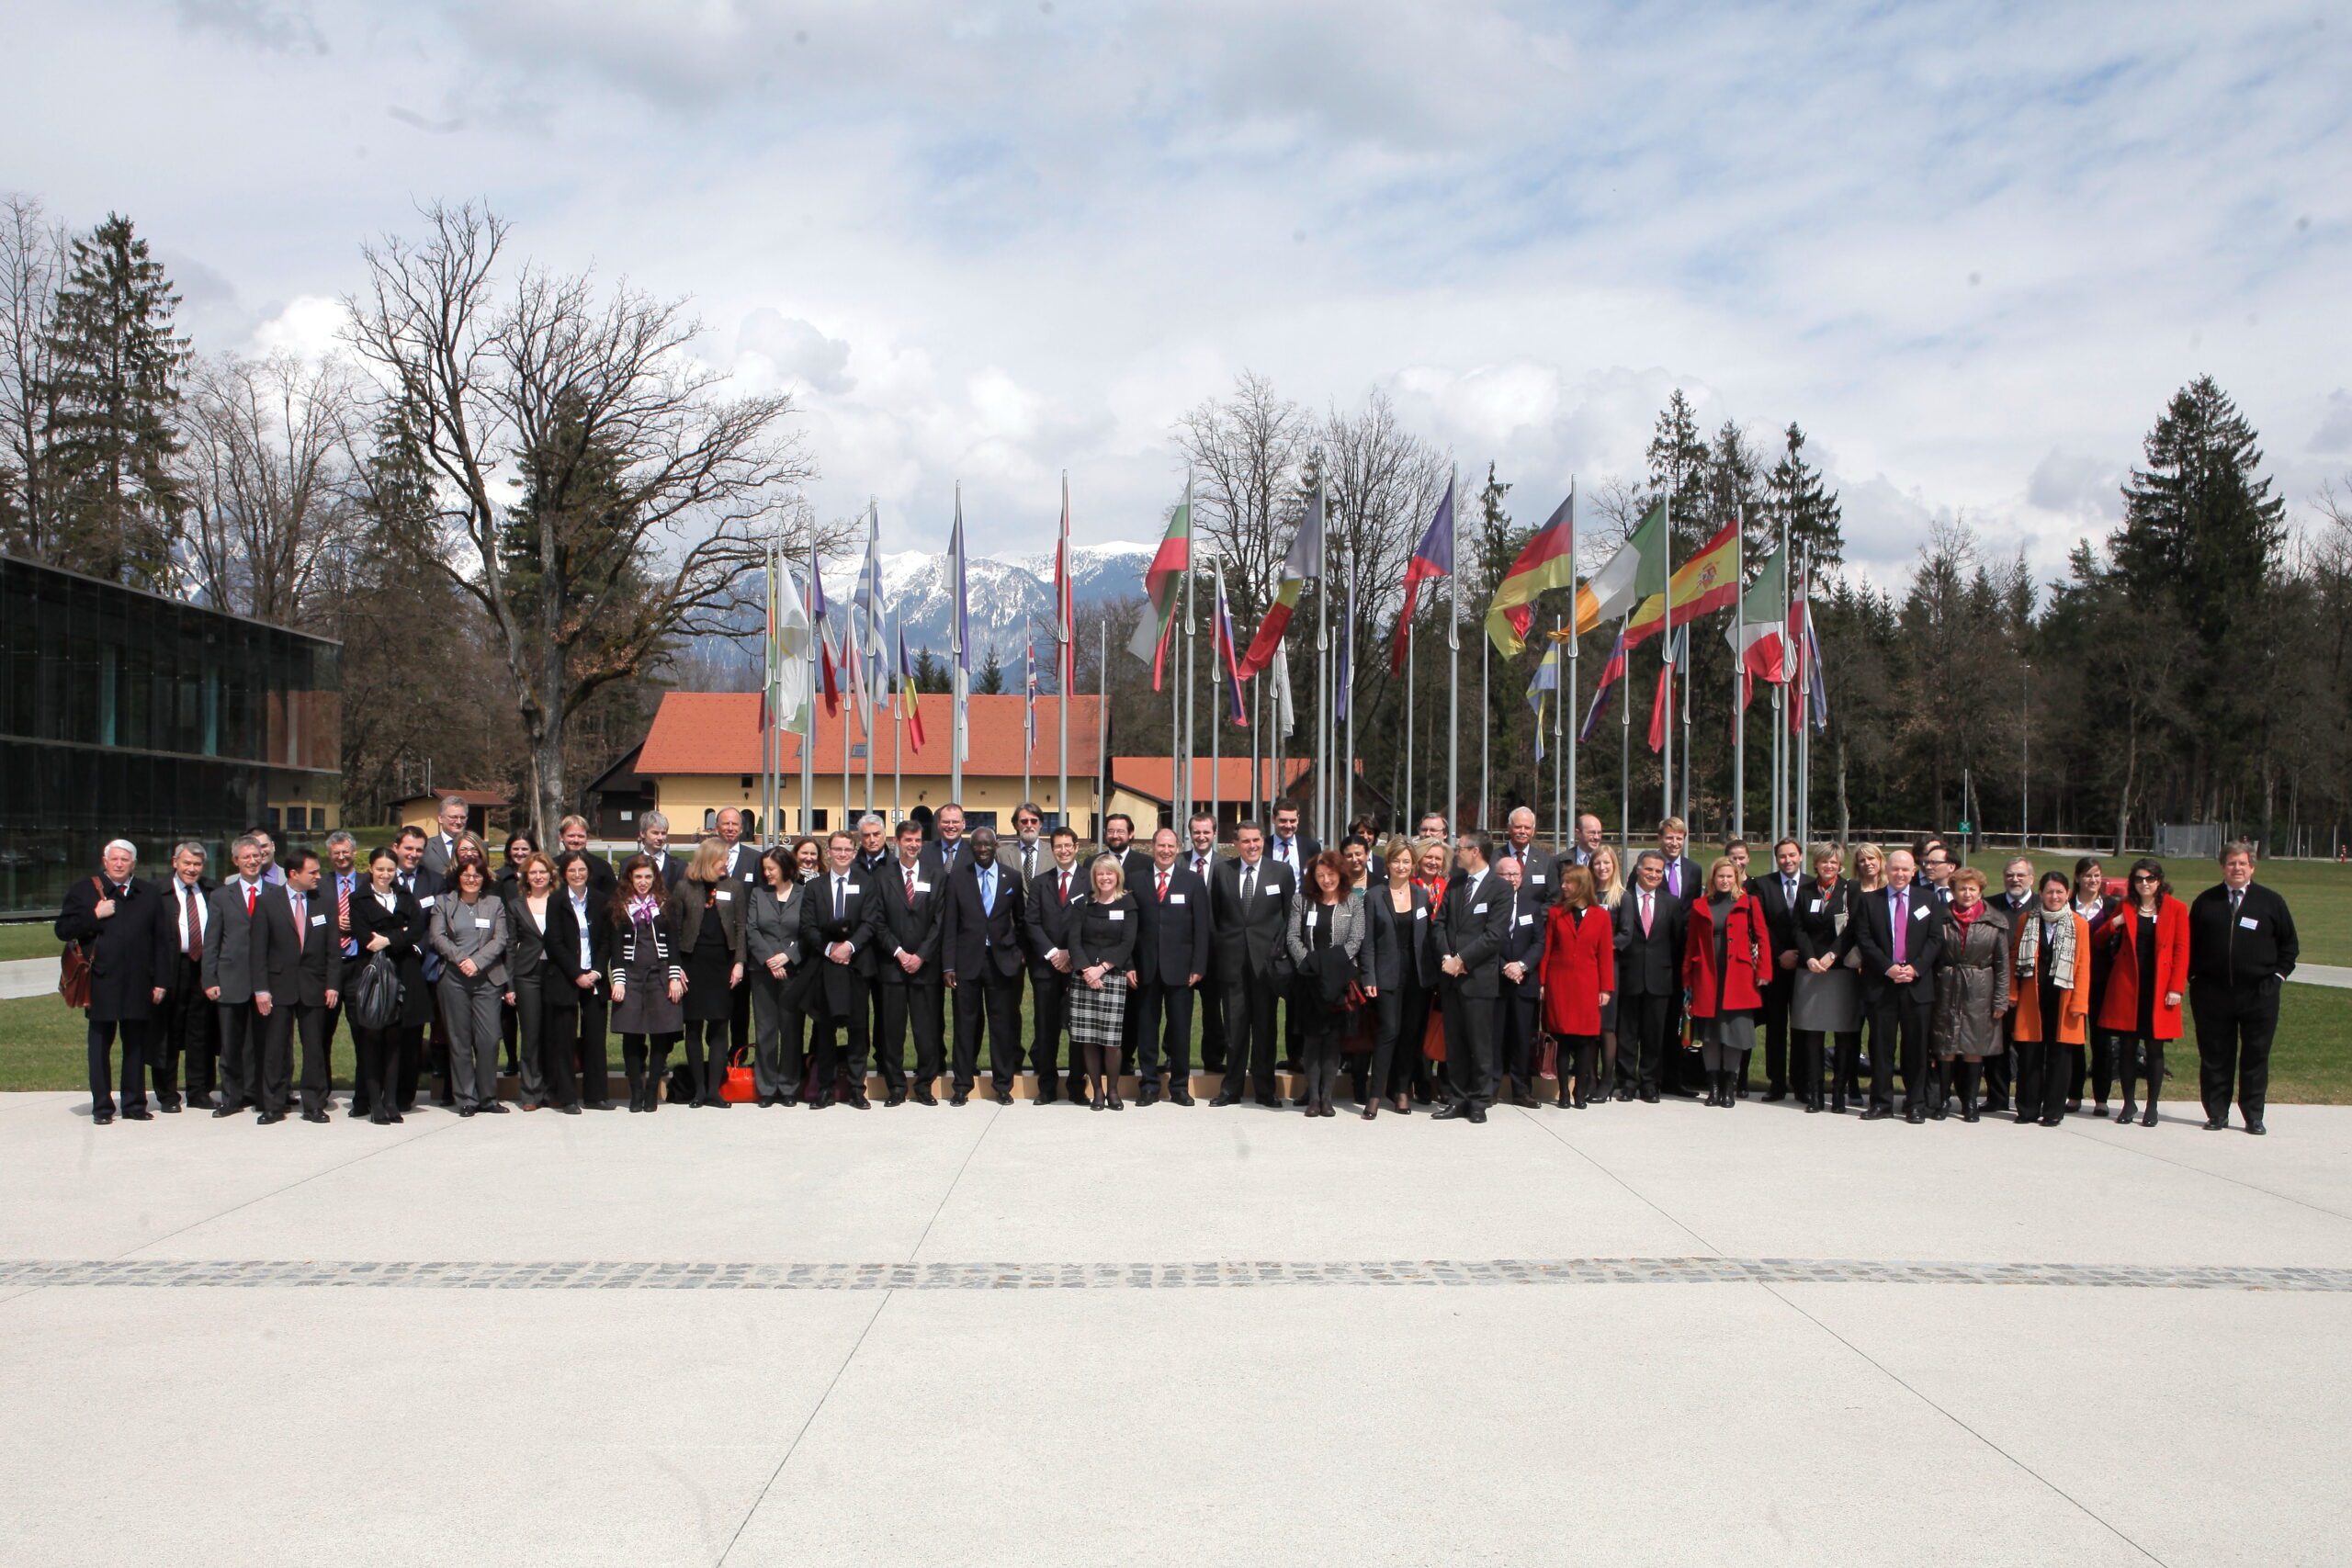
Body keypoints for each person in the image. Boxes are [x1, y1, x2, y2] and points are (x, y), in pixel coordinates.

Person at [54, 838, 166, 1124]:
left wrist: (161, 981)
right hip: (101, 981)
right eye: (114, 859)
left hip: (139, 981)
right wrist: (94, 915)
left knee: (135, 1046)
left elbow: (162, 941)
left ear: (134, 864)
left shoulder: (148, 893)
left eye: (125, 859)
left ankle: (134, 1104)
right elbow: (63, 929)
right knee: (100, 1045)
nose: (119, 864)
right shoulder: (84, 890)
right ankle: (102, 1108)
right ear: (105, 862)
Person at [2187, 840, 2295, 1135]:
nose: (2237, 868)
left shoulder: (2270, 902)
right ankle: (2217, 1113)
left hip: (2259, 994)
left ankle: (2253, 1115)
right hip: (2212, 994)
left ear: (2252, 867)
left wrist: (2277, 979)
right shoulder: (2206, 902)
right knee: (2215, 1055)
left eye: (2242, 863)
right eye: (2232, 863)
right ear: (2223, 866)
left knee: (2255, 1056)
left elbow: (2289, 947)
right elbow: (2188, 946)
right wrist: (2194, 978)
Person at [1208, 822, 1295, 1107]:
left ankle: (1265, 1090)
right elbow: (1215, 916)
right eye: (1245, 841)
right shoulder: (1223, 871)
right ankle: (1230, 1090)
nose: (1252, 845)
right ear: (1236, 843)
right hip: (1232, 962)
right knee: (1234, 1029)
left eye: (1256, 840)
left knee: (1265, 1029)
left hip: (1266, 965)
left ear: (1263, 841)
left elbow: (1288, 918)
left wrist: (1279, 955)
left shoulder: (1280, 872)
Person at [254, 850, 344, 1123]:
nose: (319, 876)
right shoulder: (268, 902)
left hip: (314, 986)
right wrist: (261, 989)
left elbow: (332, 948)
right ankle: (273, 1103)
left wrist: (332, 984)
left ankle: (314, 1103)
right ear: (294, 874)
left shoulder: (324, 902)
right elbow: (258, 950)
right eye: (312, 872)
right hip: (279, 986)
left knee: (314, 1047)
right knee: (276, 1048)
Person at [940, 826, 1024, 1104]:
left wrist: (1020, 953)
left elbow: (1021, 921)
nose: (983, 849)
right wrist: (948, 965)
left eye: (988, 844)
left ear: (996, 845)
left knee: (1002, 1026)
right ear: (971, 847)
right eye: (978, 845)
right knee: (966, 1025)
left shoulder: (1011, 876)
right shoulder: (957, 879)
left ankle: (1003, 1086)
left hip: (1002, 964)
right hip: (967, 963)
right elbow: (950, 924)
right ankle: (962, 1085)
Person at [1856, 848, 1940, 1122]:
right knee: (1881, 1046)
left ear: (1913, 872)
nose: (1900, 874)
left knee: (1916, 1048)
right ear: (1886, 870)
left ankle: (1915, 1103)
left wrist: (1915, 968)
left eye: (1905, 869)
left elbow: (1935, 940)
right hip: (1882, 985)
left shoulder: (1928, 899)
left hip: (1917, 986)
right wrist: (1888, 968)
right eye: (1895, 869)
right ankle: (1881, 1102)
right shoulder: (1870, 901)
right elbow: (1865, 939)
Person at [2105, 858, 2189, 1128]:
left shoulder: (2176, 909)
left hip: (2159, 988)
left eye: (2150, 879)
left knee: (2155, 1048)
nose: (2144, 884)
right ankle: (2129, 1103)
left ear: (2159, 881)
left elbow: (2181, 950)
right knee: (2128, 1047)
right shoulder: (2126, 906)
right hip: (2129, 986)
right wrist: (2113, 923)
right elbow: (2098, 939)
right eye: (2139, 879)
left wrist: (2176, 987)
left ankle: (2152, 1105)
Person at [1431, 830, 1509, 1123]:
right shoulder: (1455, 884)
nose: (1457, 852)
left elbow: (1494, 936)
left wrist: (1462, 960)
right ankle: (1457, 1097)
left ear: (1475, 851)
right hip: (1451, 979)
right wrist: (1446, 959)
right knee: (1456, 1043)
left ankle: (1479, 1100)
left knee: (1480, 1044)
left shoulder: (1499, 889)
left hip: (1478, 979)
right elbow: (1439, 925)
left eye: (1460, 847)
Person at [1683, 857, 1772, 1109]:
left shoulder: (1749, 902)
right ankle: (1712, 1087)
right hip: (1707, 975)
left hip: (1739, 976)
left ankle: (1729, 1087)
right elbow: (1691, 944)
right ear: (1713, 879)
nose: (1724, 880)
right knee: (1710, 1035)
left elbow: (1763, 938)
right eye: (1720, 876)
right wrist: (1687, 977)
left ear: (1736, 878)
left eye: (1729, 876)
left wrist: (1764, 971)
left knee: (1734, 1032)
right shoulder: (1700, 904)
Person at [350, 846, 430, 1123]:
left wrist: (389, 938)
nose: (385, 874)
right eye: (380, 868)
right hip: (374, 976)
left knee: (397, 1041)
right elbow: (365, 937)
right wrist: (400, 933)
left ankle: (391, 1101)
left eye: (390, 869)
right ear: (370, 868)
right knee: (372, 1039)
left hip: (403, 974)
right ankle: (374, 1103)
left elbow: (418, 930)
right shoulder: (359, 898)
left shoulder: (405, 895)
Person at [1131, 826, 1210, 1105]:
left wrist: (1198, 966)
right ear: (1152, 847)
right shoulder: (1136, 880)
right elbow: (1129, 929)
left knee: (1180, 1030)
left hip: (1181, 970)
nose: (1165, 851)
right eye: (1161, 845)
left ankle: (1179, 1086)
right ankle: (1149, 1085)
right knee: (1147, 1030)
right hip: (1145, 969)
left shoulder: (1192, 881)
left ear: (1177, 849)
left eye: (1171, 846)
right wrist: (1129, 965)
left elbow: (1202, 928)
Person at [806, 830, 882, 1109]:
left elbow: (870, 922)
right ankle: (825, 1089)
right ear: (829, 852)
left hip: (857, 966)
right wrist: (830, 950)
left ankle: (855, 1089)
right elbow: (808, 927)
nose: (841, 854)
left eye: (847, 849)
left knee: (858, 1031)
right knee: (825, 1030)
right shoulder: (815, 887)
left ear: (854, 852)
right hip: (826, 968)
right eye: (836, 849)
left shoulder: (867, 883)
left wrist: (848, 947)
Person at [1284, 850, 1363, 1118]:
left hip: (1339, 983)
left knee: (1332, 1042)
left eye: (1330, 874)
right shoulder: (1301, 901)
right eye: (1320, 875)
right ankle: (1313, 1098)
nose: (1326, 880)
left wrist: (1330, 966)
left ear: (1340, 874)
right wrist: (1311, 964)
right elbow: (1293, 938)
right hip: (1309, 982)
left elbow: (1355, 940)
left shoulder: (1352, 902)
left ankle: (1328, 1098)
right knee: (1311, 1041)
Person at [874, 818, 947, 1105]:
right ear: (897, 842)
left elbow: (939, 921)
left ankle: (924, 1085)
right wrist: (900, 953)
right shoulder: (883, 876)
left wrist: (921, 955)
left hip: (924, 967)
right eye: (908, 840)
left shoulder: (936, 874)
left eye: (918, 840)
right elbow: (877, 921)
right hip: (892, 966)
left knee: (926, 1029)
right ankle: (895, 1087)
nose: (913, 845)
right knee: (892, 1029)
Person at [201, 833, 275, 1117]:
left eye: (256, 856)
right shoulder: (221, 896)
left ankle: (260, 1094)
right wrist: (209, 979)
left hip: (265, 982)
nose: (253, 861)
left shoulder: (274, 892)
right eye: (246, 857)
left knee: (262, 1042)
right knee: (231, 1044)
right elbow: (212, 941)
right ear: (236, 861)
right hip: (230, 979)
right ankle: (231, 1098)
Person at [1928, 868, 2009, 1123]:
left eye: (1972, 889)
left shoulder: (1994, 921)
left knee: (1975, 1047)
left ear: (1980, 891)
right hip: (1947, 985)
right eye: (1962, 888)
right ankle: (1943, 1099)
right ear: (1953, 891)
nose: (1967, 893)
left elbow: (2002, 964)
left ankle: (1970, 1102)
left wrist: (2000, 1000)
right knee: (1946, 1045)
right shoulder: (1940, 918)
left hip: (1980, 988)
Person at [2009, 870, 2090, 1127]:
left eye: (2059, 891)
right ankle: (2027, 1107)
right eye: (2049, 891)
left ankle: (2054, 1109)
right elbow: (2015, 958)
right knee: (2030, 1052)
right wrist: (2012, 992)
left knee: (2060, 1055)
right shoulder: (2027, 919)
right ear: (2040, 893)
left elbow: (2083, 965)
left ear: (2067, 894)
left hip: (2064, 996)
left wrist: (2079, 1002)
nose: (2054, 896)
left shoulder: (2078, 923)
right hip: (2033, 994)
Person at [672, 837, 748, 1108]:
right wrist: (676, 966)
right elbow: (676, 928)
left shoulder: (734, 887)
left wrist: (739, 962)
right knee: (693, 1027)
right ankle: (699, 1090)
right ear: (707, 861)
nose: (726, 865)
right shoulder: (684, 887)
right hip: (693, 962)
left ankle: (715, 1090)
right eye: (722, 860)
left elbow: (741, 928)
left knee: (719, 1026)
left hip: (722, 964)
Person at [430, 858, 510, 1116]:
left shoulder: (494, 904)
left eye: (477, 875)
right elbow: (437, 936)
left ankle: (488, 1097)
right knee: (460, 1039)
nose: (472, 879)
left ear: (484, 878)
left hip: (487, 979)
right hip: (453, 979)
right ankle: (466, 1098)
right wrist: (461, 959)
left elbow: (501, 939)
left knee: (489, 1039)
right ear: (458, 877)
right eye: (467, 875)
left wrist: (476, 962)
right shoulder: (444, 903)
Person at [1790, 843, 1863, 1114]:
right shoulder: (1806, 890)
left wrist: (1833, 954)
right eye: (1824, 862)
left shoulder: (1850, 890)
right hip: (1811, 970)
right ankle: (1816, 1094)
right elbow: (1797, 927)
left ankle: (1840, 1094)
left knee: (1844, 1034)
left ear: (1840, 864)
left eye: (1833, 862)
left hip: (1841, 970)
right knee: (1812, 1034)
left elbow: (1854, 928)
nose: (1828, 866)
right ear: (1816, 864)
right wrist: (1809, 957)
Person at [609, 854, 684, 1111]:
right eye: (638, 876)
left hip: (660, 973)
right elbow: (616, 947)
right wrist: (618, 980)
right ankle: (636, 1091)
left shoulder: (666, 903)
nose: (643, 882)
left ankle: (652, 1089)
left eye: (648, 877)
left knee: (661, 1032)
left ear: (655, 878)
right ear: (630, 878)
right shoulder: (620, 905)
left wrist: (675, 976)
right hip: (630, 974)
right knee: (631, 1033)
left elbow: (674, 943)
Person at [1363, 838, 1432, 1116]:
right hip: (1386, 974)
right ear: (1387, 863)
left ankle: (1402, 1090)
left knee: (1410, 1034)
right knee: (1388, 1032)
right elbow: (1367, 941)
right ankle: (1376, 1094)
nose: (1401, 866)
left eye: (1406, 861)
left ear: (1412, 865)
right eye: (1396, 861)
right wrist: (1369, 976)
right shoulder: (1374, 895)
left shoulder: (1421, 895)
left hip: (1417, 975)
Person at [1067, 852, 1140, 1109]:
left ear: (1117, 876)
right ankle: (1097, 1091)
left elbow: (1127, 943)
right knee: (1088, 1039)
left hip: (1112, 977)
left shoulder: (1128, 904)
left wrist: (1102, 969)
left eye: (1110, 873)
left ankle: (1113, 1091)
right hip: (1083, 978)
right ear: (1094, 877)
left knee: (1111, 1041)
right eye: (1100, 873)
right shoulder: (1082, 904)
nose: (1105, 877)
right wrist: (1087, 969)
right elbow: (1074, 940)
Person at [151, 840, 218, 1112]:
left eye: (197, 864)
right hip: (170, 967)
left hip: (202, 967)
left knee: (200, 1031)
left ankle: (199, 1091)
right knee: (167, 1030)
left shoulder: (213, 890)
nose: (192, 869)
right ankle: (167, 1095)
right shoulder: (158, 892)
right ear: (174, 863)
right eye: (187, 863)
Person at [1613, 849, 1685, 1103]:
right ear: (1638, 870)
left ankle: (1650, 1084)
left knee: (1654, 1036)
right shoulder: (1623, 898)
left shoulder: (1671, 903)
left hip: (1660, 979)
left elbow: (1678, 941)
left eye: (1658, 871)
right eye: (1649, 869)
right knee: (1627, 1035)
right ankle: (1626, 1083)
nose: (1653, 874)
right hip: (1629, 976)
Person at [1539, 865, 1614, 1109]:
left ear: (1581, 885)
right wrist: (1541, 982)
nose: (1563, 886)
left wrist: (1605, 988)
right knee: (1562, 1040)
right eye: (1563, 882)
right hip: (1560, 983)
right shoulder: (1555, 913)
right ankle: (1563, 1093)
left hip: (1588, 984)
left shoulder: (1600, 916)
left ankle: (1580, 1093)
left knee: (1585, 1042)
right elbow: (1547, 950)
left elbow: (1604, 955)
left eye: (1568, 882)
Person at [542, 850, 609, 1111]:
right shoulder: (556, 901)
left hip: (595, 978)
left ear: (588, 873)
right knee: (564, 1039)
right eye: (572, 871)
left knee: (595, 1037)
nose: (577, 875)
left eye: (581, 870)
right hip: (566, 979)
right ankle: (568, 1097)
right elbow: (554, 942)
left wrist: (597, 971)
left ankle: (596, 1095)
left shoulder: (601, 900)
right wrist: (576, 974)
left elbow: (606, 941)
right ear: (564, 874)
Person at [744, 845, 809, 1107]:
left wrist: (788, 956)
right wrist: (771, 959)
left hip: (794, 972)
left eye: (771, 868)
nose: (767, 873)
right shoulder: (758, 894)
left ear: (785, 867)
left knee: (791, 1029)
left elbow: (808, 931)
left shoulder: (806, 894)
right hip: (763, 972)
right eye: (765, 869)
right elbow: (751, 929)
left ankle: (789, 1086)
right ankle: (767, 1087)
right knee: (766, 1030)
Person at [1023, 827, 1083, 1103]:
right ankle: (1046, 1087)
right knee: (1045, 1028)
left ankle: (1076, 1087)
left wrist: (1071, 953)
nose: (1063, 850)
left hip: (1078, 967)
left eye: (1067, 845)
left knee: (1078, 1030)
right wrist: (1052, 953)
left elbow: (1093, 922)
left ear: (1076, 846)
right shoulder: (1040, 882)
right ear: (1052, 849)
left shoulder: (1089, 880)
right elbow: (1031, 922)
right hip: (1046, 968)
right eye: (1058, 846)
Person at [1747, 838, 1807, 1102]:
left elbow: (1814, 926)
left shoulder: (1811, 884)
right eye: (1782, 856)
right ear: (1776, 858)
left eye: (1792, 855)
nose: (1788, 860)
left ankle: (1801, 1081)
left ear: (1801, 856)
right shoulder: (1763, 885)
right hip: (1774, 965)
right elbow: (1760, 924)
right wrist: (1780, 953)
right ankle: (1777, 1082)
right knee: (1775, 1027)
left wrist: (1800, 954)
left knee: (1802, 1026)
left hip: (1805, 966)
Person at [503, 852, 560, 1111]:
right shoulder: (516, 905)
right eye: (533, 873)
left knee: (553, 1034)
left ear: (551, 875)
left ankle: (551, 1090)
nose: (538, 877)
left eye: (542, 872)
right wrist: (510, 985)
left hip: (555, 973)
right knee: (531, 1035)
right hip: (527, 974)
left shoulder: (560, 901)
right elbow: (510, 947)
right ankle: (530, 1093)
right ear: (526, 876)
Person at [1981, 857, 2037, 1115]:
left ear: (2031, 879)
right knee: (1997, 1046)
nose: (2015, 879)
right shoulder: (1990, 906)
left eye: (2021, 875)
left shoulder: (2041, 906)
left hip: (2031, 989)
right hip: (1996, 988)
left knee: (2029, 1047)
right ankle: (1997, 1097)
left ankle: (2029, 1100)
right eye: (2010, 875)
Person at [1492, 853, 1547, 1107]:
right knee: (1495, 1037)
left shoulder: (1531, 905)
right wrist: (1505, 966)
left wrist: (1522, 965)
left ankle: (1521, 1089)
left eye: (1515, 874)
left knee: (1522, 1038)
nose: (1511, 879)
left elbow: (1539, 942)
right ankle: (1490, 1088)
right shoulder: (1489, 904)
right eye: (1506, 874)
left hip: (1524, 981)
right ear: (1496, 876)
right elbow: (1486, 941)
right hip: (1497, 981)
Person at [2068, 857, 2122, 1115]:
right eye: (2088, 875)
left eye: (2097, 875)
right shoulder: (2066, 905)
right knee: (2074, 1041)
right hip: (2070, 982)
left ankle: (2101, 1098)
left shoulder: (2113, 907)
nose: (2092, 880)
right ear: (2078, 878)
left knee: (2102, 1043)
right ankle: (2074, 1095)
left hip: (2102, 982)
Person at [1183, 813, 1227, 1077]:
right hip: (1182, 950)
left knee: (1213, 1009)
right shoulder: (1178, 862)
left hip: (1215, 951)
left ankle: (1213, 1058)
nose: (1201, 837)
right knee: (1179, 1008)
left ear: (1214, 833)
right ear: (1190, 834)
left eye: (1206, 832)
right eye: (1196, 832)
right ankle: (1174, 1056)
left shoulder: (1227, 865)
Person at [558, 815, 618, 902]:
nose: (576, 840)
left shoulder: (603, 867)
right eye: (571, 836)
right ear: (561, 836)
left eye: (581, 836)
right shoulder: (553, 866)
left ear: (587, 837)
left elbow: (613, 900)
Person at [421, 795, 470, 879]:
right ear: (440, 818)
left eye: (462, 818)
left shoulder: (477, 846)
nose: (458, 822)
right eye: (453, 817)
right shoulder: (426, 846)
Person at [922, 803, 970, 881]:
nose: (951, 826)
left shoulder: (974, 852)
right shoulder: (924, 852)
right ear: (938, 824)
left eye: (955, 822)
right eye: (946, 822)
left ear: (963, 824)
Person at [1008, 802, 1047, 883]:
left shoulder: (1053, 853)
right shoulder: (1002, 854)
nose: (1029, 825)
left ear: (1041, 824)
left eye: (1034, 821)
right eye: (1024, 821)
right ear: (1016, 825)